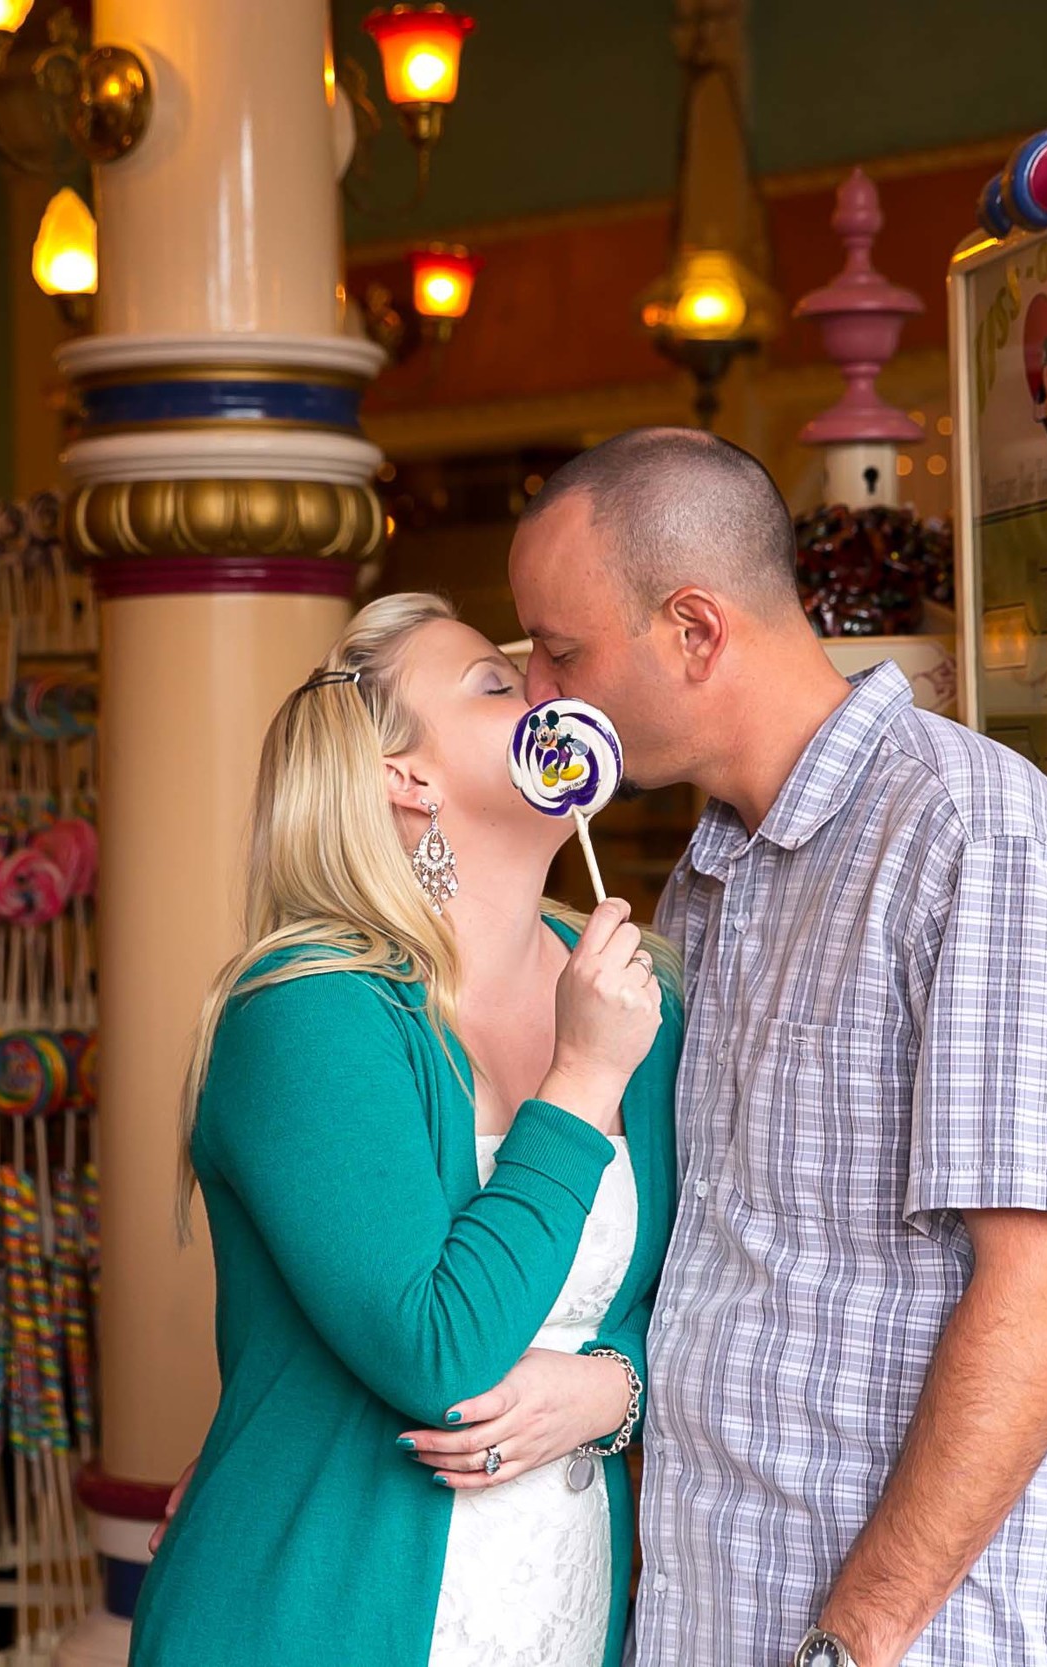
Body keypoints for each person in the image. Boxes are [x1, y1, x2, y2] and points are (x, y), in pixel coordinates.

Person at [508, 428, 1047, 1667]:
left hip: (924, 1636)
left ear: (694, 630)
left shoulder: (975, 841)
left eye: (562, 650)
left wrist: (858, 1633)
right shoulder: (711, 878)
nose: (544, 695)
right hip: (724, 1609)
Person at [129, 592, 682, 1667]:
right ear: (406, 777)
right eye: (492, 678)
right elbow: (438, 1351)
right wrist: (576, 1079)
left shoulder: (638, 989)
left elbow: (711, 1298)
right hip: (310, 1616)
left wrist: (618, 1386)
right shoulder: (308, 1009)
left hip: (559, 1611)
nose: (540, 688)